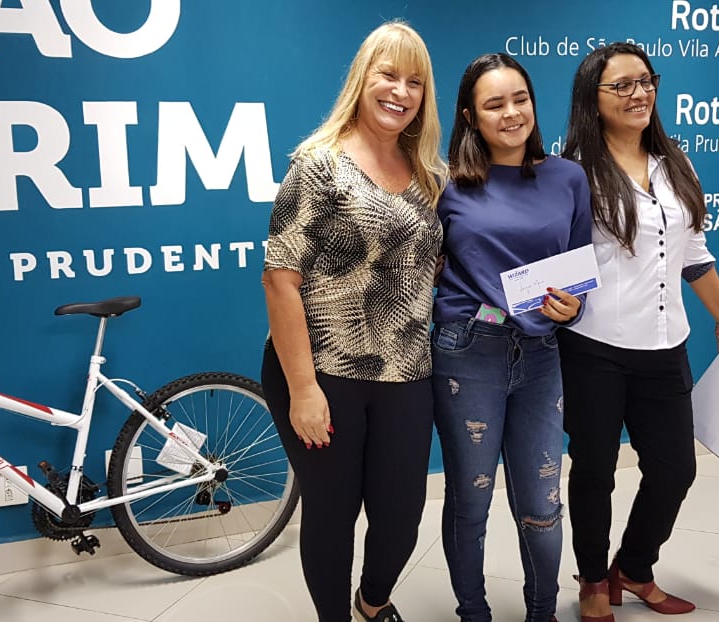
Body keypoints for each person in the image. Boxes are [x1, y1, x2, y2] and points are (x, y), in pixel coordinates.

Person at [260, 21, 446, 622]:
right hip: (323, 370)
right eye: (387, 75)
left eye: (414, 81)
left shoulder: (429, 175)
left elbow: (431, 271)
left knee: (400, 516)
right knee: (333, 513)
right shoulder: (317, 165)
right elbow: (279, 279)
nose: (400, 91)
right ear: (361, 80)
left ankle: (372, 602)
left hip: (407, 370)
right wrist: (304, 388)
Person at [559, 42, 719, 620]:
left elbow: (693, 253)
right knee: (594, 470)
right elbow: (556, 258)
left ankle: (634, 569)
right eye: (622, 85)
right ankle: (593, 580)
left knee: (674, 468)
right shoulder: (573, 172)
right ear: (593, 98)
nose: (639, 93)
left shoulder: (676, 162)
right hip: (594, 346)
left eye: (646, 81)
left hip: (666, 346)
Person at [431, 53, 592, 622]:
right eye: (494, 104)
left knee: (543, 503)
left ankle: (541, 613)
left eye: (519, 98)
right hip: (467, 350)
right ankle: (472, 612)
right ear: (471, 116)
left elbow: (576, 274)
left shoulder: (568, 177)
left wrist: (573, 308)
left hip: (542, 355)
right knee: (471, 501)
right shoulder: (445, 185)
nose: (511, 112)